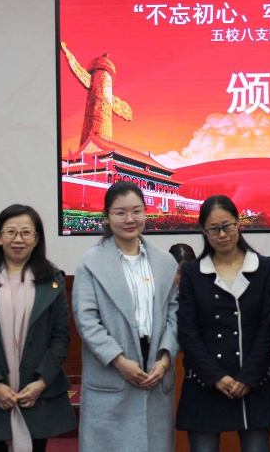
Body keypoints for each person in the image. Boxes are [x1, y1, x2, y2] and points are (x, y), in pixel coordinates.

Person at [0, 204, 76, 451]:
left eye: (26, 232)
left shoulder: (52, 281)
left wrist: (41, 382)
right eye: (11, 232)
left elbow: (60, 337)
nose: (18, 239)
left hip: (38, 392)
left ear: (36, 239)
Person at [176, 195, 270, 451]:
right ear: (204, 232)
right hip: (205, 383)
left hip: (255, 382)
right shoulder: (193, 273)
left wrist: (248, 377)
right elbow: (188, 332)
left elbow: (267, 328)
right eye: (213, 229)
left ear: (238, 224)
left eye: (227, 226)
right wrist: (216, 377)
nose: (222, 234)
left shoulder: (263, 267)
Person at [72, 182, 179, 452]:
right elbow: (86, 320)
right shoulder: (91, 263)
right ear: (107, 217)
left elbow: (174, 314)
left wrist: (165, 360)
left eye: (136, 211)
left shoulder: (165, 262)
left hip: (155, 369)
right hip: (112, 371)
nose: (130, 219)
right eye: (120, 213)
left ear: (145, 213)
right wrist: (119, 361)